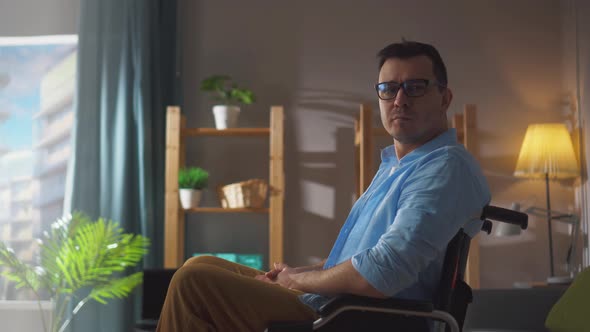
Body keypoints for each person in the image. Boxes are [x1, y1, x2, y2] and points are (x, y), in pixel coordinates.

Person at [156, 40, 491, 332]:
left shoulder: (444, 166)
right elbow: (359, 260)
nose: (399, 99)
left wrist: (296, 281)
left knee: (193, 285)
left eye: (415, 87)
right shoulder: (398, 166)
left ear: (445, 98)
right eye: (388, 89)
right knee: (199, 265)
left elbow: (384, 271)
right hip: (339, 306)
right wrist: (296, 273)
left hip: (364, 319)